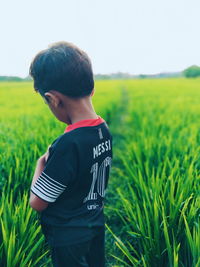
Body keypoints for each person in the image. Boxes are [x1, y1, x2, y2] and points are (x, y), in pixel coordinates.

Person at [29, 41, 113, 267]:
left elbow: (38, 202)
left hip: (68, 237)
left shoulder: (68, 144)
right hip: (95, 224)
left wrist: (41, 163)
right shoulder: (103, 130)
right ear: (91, 88)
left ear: (53, 99)